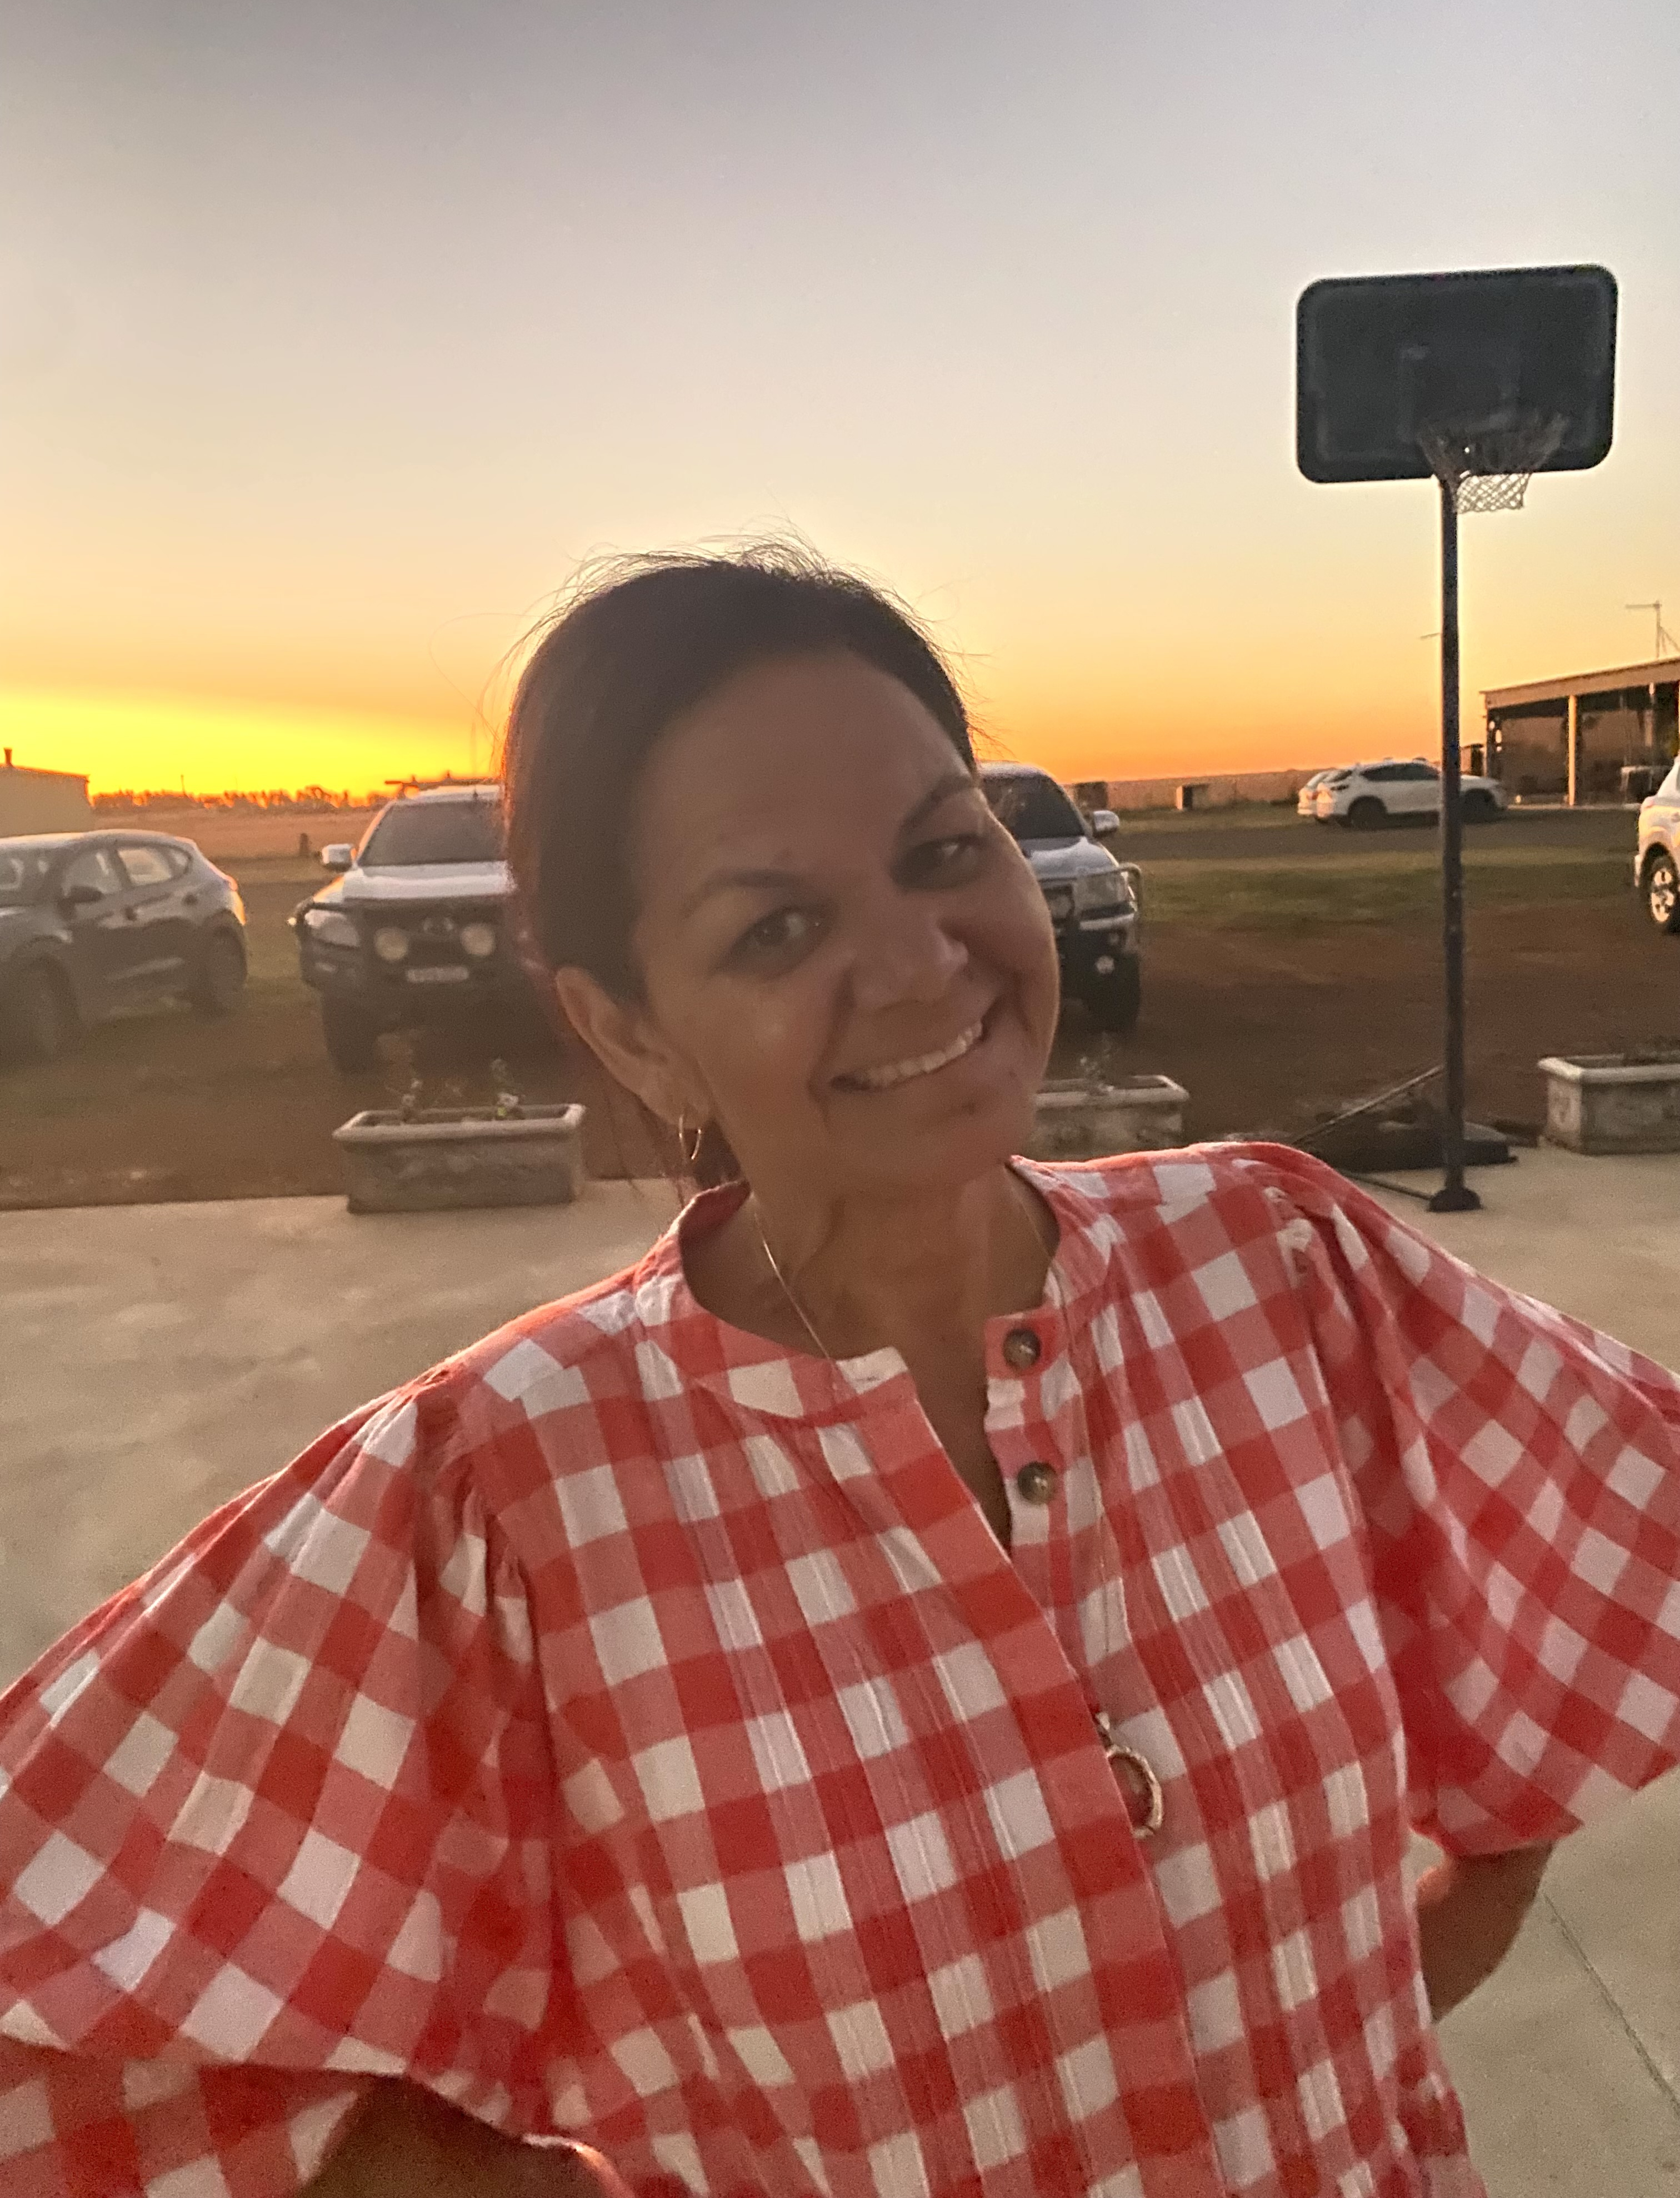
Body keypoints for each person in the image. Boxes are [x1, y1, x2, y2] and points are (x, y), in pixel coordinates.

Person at [2, 547, 1677, 2198]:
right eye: (778, 927)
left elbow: (1594, 1576)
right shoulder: (505, 1496)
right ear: (632, 1030)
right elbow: (58, 1984)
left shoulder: (1280, 1270)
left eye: (943, 850)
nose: (920, 962)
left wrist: (1338, 2040)